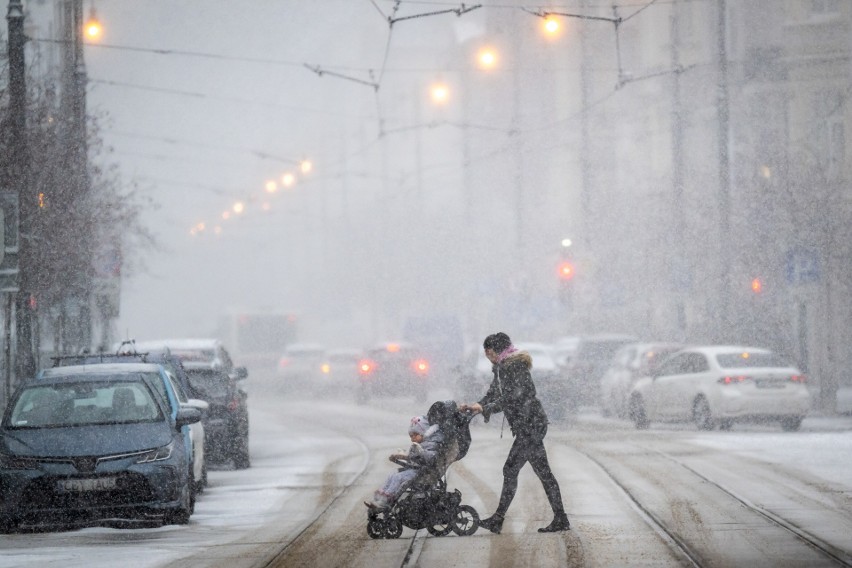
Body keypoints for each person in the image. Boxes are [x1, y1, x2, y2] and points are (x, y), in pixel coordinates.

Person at [460, 332, 570, 534]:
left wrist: (487, 408)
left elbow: (514, 396)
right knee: (541, 472)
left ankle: (499, 519)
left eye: (487, 354)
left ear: (491, 351)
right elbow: (494, 393)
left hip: (531, 425)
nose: (487, 357)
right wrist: (479, 405)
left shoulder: (515, 366)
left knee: (512, 469)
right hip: (527, 426)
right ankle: (560, 518)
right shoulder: (501, 368)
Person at [365, 415, 443, 509]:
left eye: (415, 435)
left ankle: (386, 500)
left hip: (421, 472)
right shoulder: (417, 445)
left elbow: (432, 457)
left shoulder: (431, 444)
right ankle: (379, 498)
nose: (412, 438)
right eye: (411, 436)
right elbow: (411, 457)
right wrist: (400, 456)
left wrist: (422, 452)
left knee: (398, 478)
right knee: (392, 475)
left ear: (423, 433)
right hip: (413, 469)